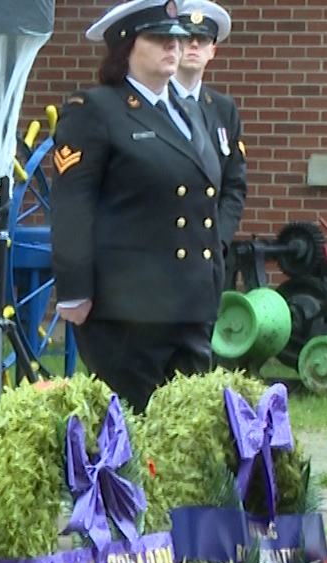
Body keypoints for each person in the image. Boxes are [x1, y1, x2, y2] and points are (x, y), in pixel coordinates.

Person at [51, 0, 223, 412]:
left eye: (177, 39)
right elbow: (73, 203)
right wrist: (75, 290)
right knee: (136, 429)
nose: (173, 47)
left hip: (190, 301)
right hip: (127, 308)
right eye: (159, 38)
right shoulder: (96, 110)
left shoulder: (189, 110)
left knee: (189, 432)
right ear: (126, 45)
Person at [175, 0, 245, 247]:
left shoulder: (223, 108)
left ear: (212, 51)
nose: (194, 44)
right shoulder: (153, 102)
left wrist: (220, 242)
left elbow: (234, 185)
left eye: (202, 40)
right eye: (186, 36)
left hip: (208, 252)